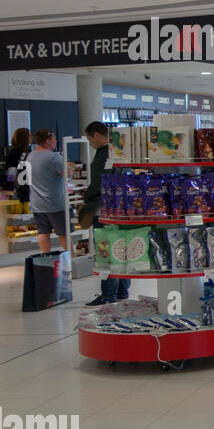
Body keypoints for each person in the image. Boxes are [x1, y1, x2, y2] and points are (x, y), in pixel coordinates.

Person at [81, 121, 129, 306]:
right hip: (119, 207)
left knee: (106, 251)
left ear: (97, 135)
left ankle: (108, 293)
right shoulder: (120, 148)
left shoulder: (103, 155)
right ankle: (122, 290)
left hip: (103, 207)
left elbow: (99, 182)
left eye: (89, 138)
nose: (90, 143)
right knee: (120, 249)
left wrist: (88, 197)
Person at [25, 128, 68, 255]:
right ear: (48, 141)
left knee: (43, 232)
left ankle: (45, 258)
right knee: (63, 233)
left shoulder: (30, 156)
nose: (55, 141)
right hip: (55, 203)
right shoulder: (54, 157)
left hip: (37, 203)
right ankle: (69, 260)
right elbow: (67, 174)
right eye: (54, 139)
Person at [3, 126, 31, 200]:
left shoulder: (28, 150)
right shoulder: (14, 152)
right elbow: (11, 169)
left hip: (26, 183)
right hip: (19, 184)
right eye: (29, 136)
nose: (31, 138)